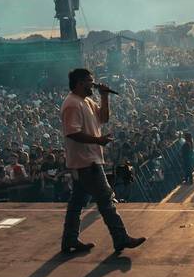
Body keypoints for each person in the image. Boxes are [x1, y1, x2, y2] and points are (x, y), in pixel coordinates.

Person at [60, 68, 145, 254]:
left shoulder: (86, 101)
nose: (94, 84)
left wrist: (104, 97)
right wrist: (98, 141)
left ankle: (69, 239)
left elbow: (104, 119)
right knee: (106, 198)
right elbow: (72, 133)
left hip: (88, 160)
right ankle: (120, 238)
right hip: (86, 162)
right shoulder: (72, 104)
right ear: (80, 83)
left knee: (77, 203)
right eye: (91, 81)